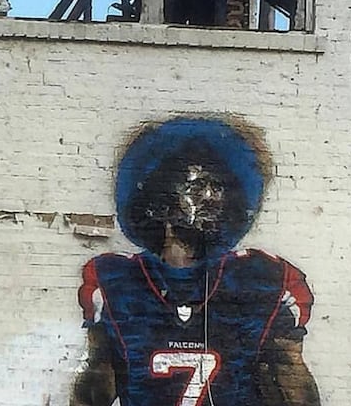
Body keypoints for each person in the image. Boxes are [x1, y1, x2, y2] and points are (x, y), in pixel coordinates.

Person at [72, 118, 320, 406]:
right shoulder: (117, 282)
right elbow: (95, 385)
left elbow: (291, 383)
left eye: (219, 187)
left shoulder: (262, 280)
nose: (212, 197)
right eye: (198, 185)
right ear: (158, 202)